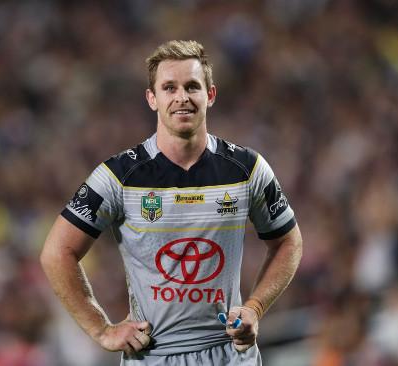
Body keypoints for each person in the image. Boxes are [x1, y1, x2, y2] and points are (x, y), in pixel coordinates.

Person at [40, 40, 303, 365]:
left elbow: (288, 242)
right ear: (152, 98)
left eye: (192, 86)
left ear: (211, 94)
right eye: (169, 87)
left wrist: (254, 308)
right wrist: (102, 330)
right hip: (154, 356)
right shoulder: (118, 176)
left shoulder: (247, 169)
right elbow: (57, 253)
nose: (182, 97)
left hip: (230, 355)